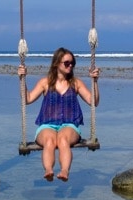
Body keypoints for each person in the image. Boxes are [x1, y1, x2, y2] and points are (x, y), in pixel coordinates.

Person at [18, 47, 100, 181]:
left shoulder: (76, 83)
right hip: (47, 125)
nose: (70, 65)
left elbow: (93, 102)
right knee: (49, 141)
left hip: (69, 125)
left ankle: (64, 171)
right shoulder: (45, 83)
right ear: (56, 63)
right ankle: (49, 170)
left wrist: (95, 82)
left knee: (63, 140)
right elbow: (27, 99)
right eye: (66, 63)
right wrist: (22, 79)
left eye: (72, 63)